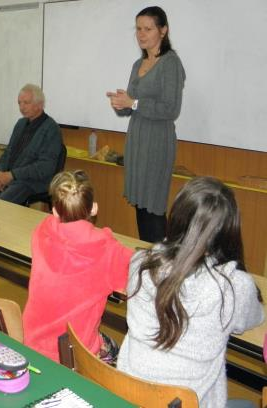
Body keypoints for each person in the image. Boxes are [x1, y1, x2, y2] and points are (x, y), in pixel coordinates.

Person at [117, 176, 264, 408]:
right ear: (229, 232)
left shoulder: (140, 263)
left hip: (129, 393)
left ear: (175, 218)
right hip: (187, 402)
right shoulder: (233, 285)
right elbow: (252, 319)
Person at [23, 170, 132, 363]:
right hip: (73, 352)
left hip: (32, 342)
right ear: (94, 209)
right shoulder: (108, 251)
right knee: (117, 349)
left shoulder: (42, 231)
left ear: (55, 211)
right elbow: (137, 272)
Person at [106, 6, 185, 243]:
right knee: (141, 205)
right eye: (138, 29)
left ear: (163, 30)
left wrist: (135, 102)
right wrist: (122, 105)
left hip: (157, 141)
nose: (141, 34)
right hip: (137, 140)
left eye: (148, 28)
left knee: (153, 208)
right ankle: (152, 259)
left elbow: (171, 109)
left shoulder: (171, 63)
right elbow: (132, 108)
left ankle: (162, 264)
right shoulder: (136, 64)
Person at [0, 84, 62, 205]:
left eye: (26, 103)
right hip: (10, 177)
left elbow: (45, 167)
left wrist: (12, 175)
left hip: (31, 182)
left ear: (40, 105)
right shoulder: (20, 123)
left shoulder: (51, 129)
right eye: (19, 103)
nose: (22, 107)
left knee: (0, 205)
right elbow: (8, 152)